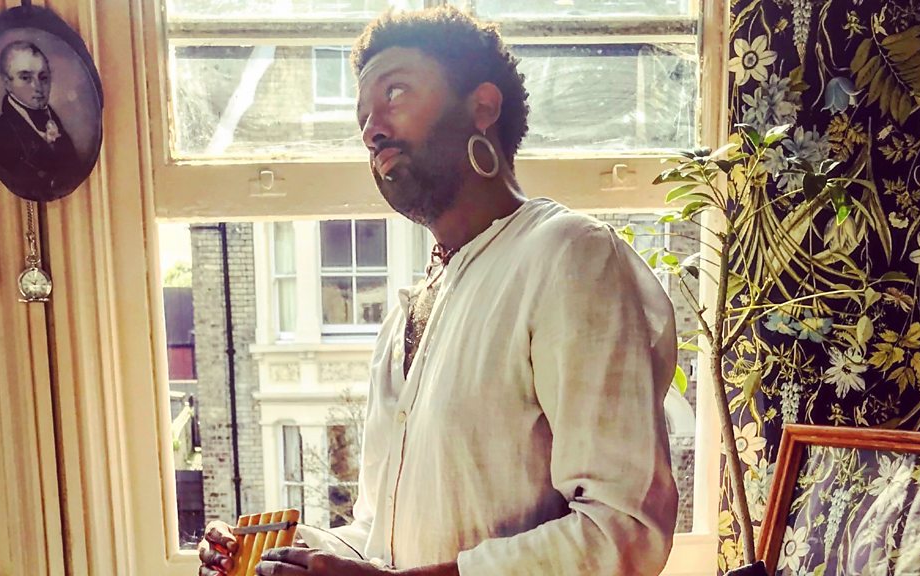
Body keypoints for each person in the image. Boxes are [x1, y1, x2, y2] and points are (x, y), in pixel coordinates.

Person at [198, 6, 679, 576]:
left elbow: (623, 532)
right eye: (362, 117)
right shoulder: (404, 318)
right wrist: (280, 554)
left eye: (394, 92)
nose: (371, 130)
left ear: (483, 107)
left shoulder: (570, 255)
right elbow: (381, 538)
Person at [0, 40, 80, 199]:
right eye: (26, 78)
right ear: (7, 83)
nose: (37, 87)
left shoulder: (55, 123)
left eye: (43, 77)